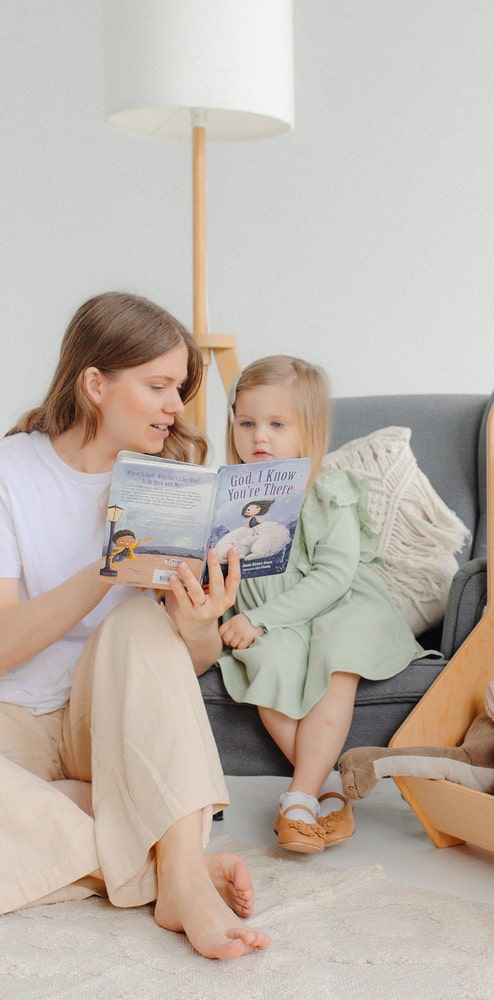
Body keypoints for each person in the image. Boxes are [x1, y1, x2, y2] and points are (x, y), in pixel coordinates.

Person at [0, 291, 270, 960]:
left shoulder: (178, 484)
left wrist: (202, 624)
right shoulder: (11, 474)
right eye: (157, 386)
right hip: (15, 718)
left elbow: (187, 668)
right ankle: (161, 854)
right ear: (95, 384)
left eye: (178, 388)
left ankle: (164, 865)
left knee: (140, 630)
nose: (176, 406)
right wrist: (110, 566)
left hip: (112, 721)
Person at [216, 356, 424, 854]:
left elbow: (334, 575)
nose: (258, 437)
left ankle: (298, 801)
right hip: (272, 620)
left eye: (276, 424)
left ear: (308, 430)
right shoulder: (229, 497)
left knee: (338, 654)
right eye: (246, 423)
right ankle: (329, 787)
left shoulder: (327, 492)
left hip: (336, 605)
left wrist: (260, 617)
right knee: (267, 663)